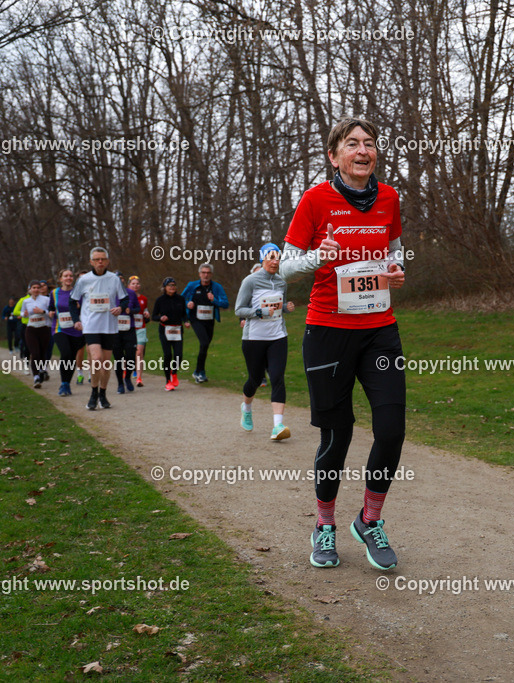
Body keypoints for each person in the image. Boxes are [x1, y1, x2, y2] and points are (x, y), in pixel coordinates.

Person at [280, 117, 407, 571]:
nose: (362, 150)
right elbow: (286, 267)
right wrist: (320, 257)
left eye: (369, 144)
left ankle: (369, 520)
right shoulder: (315, 200)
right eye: (352, 144)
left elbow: (393, 248)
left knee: (392, 428)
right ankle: (324, 525)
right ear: (334, 156)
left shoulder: (389, 197)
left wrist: (395, 271)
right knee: (339, 433)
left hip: (379, 329)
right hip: (328, 332)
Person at [234, 243, 295, 441]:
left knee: (277, 377)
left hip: (277, 336)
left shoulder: (281, 282)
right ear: (262, 259)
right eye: (271, 257)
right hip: (254, 338)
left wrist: (286, 307)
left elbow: (279, 306)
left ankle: (277, 425)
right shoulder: (250, 281)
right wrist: (259, 312)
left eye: (278, 258)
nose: (275, 261)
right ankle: (247, 407)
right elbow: (239, 310)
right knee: (255, 379)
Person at [70, 247, 128, 410]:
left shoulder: (114, 279)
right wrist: (76, 320)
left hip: (109, 326)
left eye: (103, 259)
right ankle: (93, 393)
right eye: (96, 259)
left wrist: (120, 309)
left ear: (108, 261)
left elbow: (124, 299)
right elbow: (72, 301)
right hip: (90, 325)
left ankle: (103, 393)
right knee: (96, 360)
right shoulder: (83, 280)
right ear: (91, 262)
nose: (100, 262)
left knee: (106, 363)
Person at [181, 263, 228, 383]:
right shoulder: (192, 285)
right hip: (195, 319)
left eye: (208, 273)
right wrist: (187, 303)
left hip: (209, 320)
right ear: (199, 274)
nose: (205, 275)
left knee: (205, 346)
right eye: (203, 272)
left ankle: (198, 371)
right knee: (204, 342)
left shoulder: (216, 287)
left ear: (211, 274)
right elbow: (180, 299)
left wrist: (214, 300)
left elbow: (225, 303)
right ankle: (200, 372)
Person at [49, 269, 86, 396]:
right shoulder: (54, 293)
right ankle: (63, 384)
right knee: (66, 353)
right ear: (60, 279)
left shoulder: (79, 293)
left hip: (77, 330)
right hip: (60, 328)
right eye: (66, 276)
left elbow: (87, 309)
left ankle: (67, 384)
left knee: (72, 358)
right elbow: (51, 307)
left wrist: (79, 308)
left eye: (70, 276)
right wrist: (50, 312)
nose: (68, 278)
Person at [151, 277, 188, 391]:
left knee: (178, 355)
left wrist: (186, 321)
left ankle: (174, 373)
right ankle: (168, 381)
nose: (172, 287)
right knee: (167, 355)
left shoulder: (180, 299)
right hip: (165, 330)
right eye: (169, 285)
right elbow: (154, 316)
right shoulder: (160, 300)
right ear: (165, 288)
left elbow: (184, 314)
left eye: (174, 285)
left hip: (177, 330)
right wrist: (160, 318)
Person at [20, 280, 52, 388]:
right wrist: (23, 314)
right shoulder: (26, 301)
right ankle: (36, 377)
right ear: (30, 290)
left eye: (38, 287)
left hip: (44, 328)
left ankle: (42, 369)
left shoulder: (46, 300)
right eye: (33, 288)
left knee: (43, 352)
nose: (36, 290)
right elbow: (22, 313)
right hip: (31, 329)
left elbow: (51, 313)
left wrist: (42, 311)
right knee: (35, 353)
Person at [113, 273, 138, 394]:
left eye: (121, 279)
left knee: (131, 355)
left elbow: (138, 308)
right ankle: (120, 383)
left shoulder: (131, 293)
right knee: (118, 358)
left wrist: (131, 310)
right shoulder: (109, 293)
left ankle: (127, 377)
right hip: (115, 330)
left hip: (129, 328)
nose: (119, 281)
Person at [128, 276, 150, 387]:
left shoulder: (144, 299)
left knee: (139, 353)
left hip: (141, 328)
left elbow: (145, 311)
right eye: (133, 283)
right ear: (128, 285)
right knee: (129, 353)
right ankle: (126, 373)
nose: (135, 285)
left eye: (137, 283)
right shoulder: (125, 298)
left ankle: (139, 378)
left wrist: (147, 314)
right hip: (129, 329)